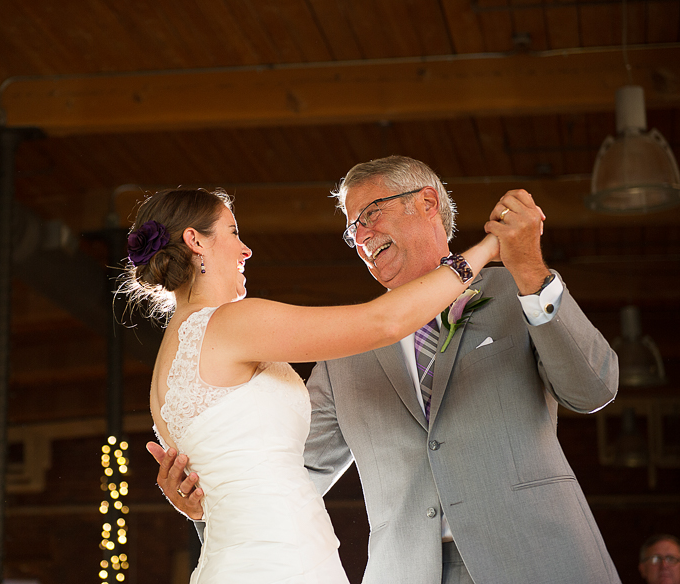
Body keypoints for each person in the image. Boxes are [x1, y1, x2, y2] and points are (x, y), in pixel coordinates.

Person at [152, 156, 622, 584]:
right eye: (350, 229)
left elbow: (593, 389)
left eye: (370, 214)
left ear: (426, 202)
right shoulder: (347, 352)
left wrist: (532, 271)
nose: (360, 236)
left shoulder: (517, 291)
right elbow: (287, 466)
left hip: (535, 560)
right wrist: (202, 503)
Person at [124, 185, 500, 583]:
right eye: (233, 232)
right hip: (282, 562)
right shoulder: (231, 323)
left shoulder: (170, 357)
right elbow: (383, 322)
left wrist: (196, 507)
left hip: (237, 560)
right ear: (195, 240)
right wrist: (486, 250)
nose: (245, 250)